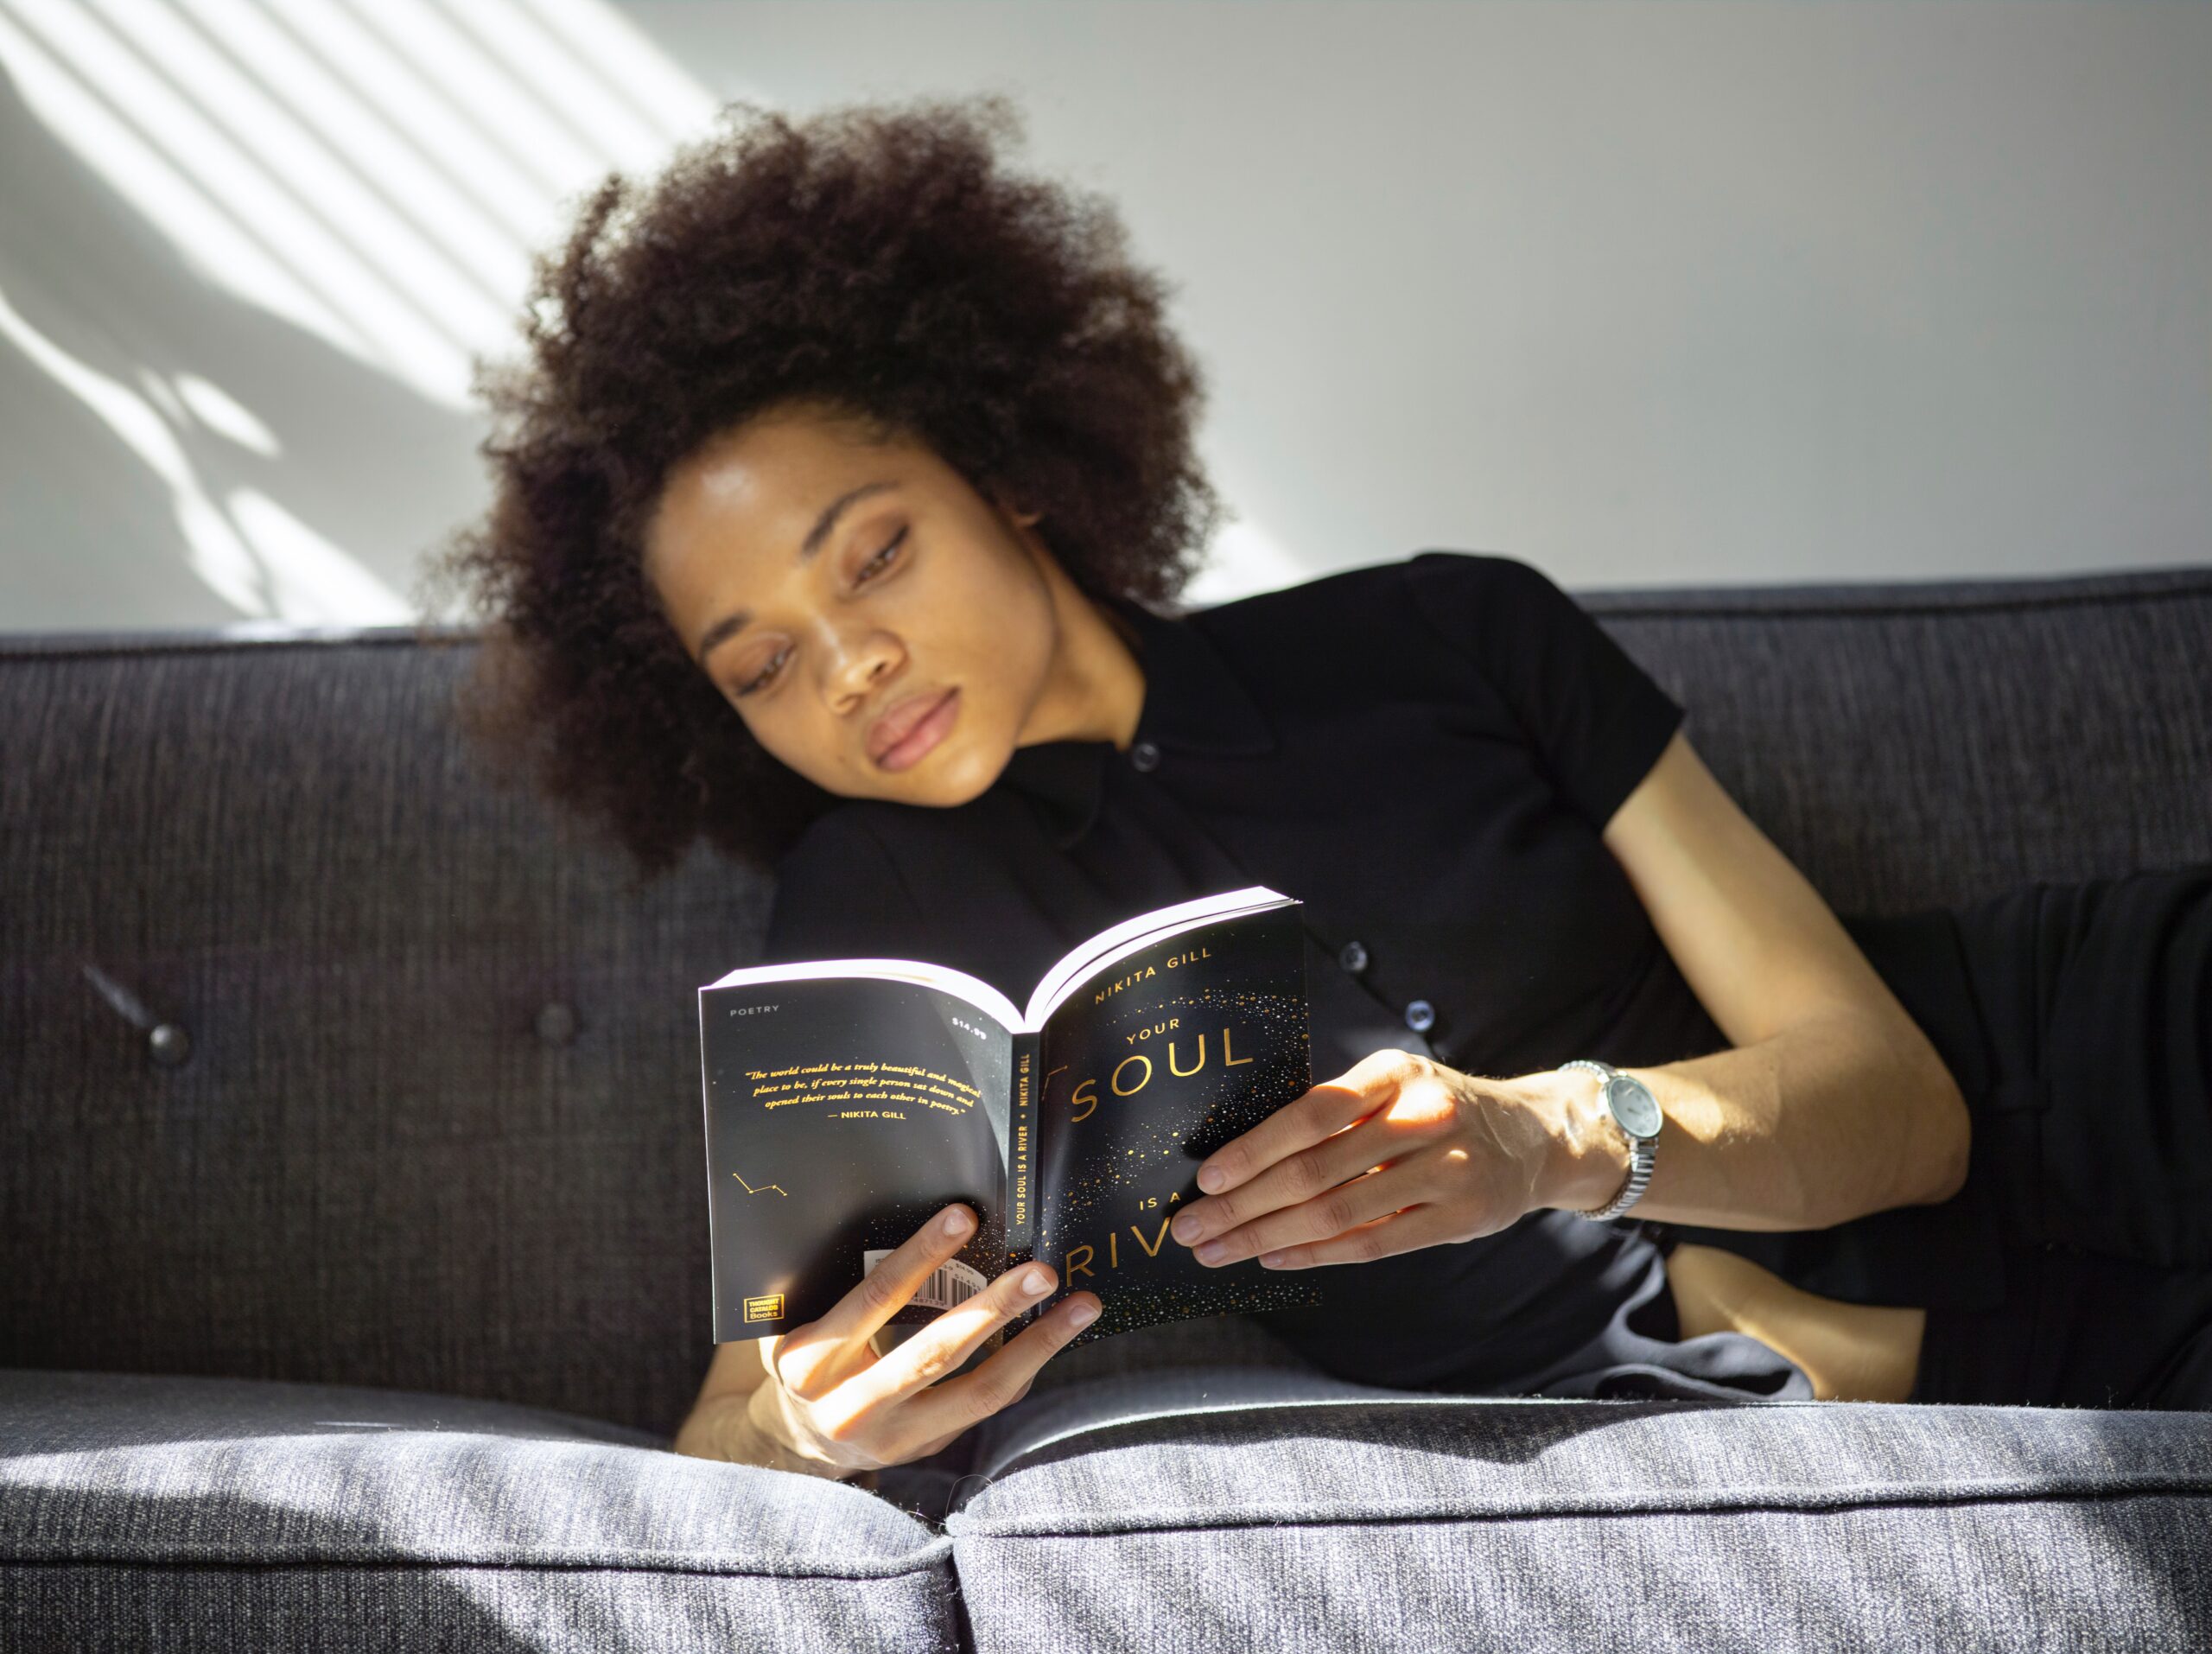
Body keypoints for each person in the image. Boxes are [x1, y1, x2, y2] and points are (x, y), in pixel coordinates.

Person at [420, 94, 2212, 1483]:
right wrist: (815, 1426)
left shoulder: (1451, 630)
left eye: (871, 554)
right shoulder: (879, 929)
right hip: (1982, 1371)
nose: (848, 662)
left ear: (1004, 471)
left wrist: (1540, 1140)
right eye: (760, 663)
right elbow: (730, 1420)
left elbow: (1899, 1106)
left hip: (2106, 1053)